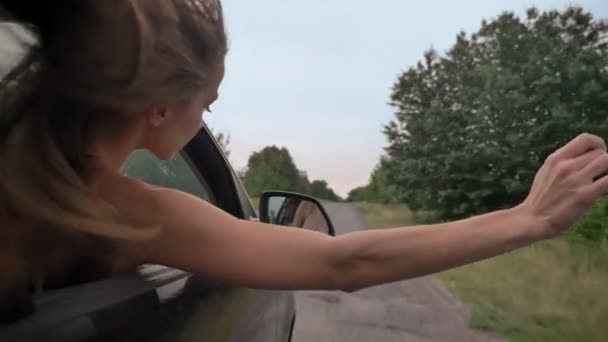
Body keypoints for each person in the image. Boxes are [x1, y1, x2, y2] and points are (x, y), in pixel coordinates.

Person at [0, 0, 607, 324]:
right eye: (207, 103)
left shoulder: (26, 173)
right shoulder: (129, 209)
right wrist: (528, 219)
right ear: (159, 107)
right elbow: (349, 259)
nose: (205, 121)